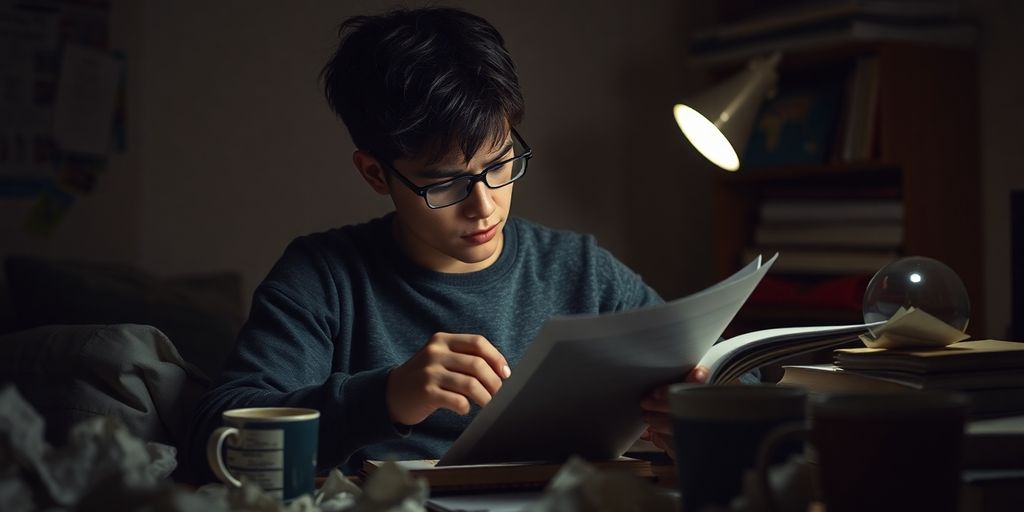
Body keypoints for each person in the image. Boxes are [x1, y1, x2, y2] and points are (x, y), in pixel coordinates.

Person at [185, 6, 702, 480]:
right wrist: (387, 397)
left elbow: (718, 385)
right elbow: (215, 433)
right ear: (375, 174)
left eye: (499, 165)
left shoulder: (582, 271)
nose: (483, 205)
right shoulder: (323, 277)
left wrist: (699, 420)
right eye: (444, 183)